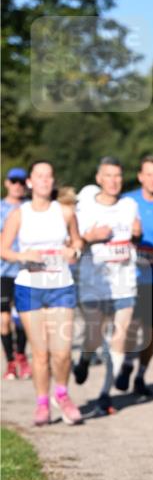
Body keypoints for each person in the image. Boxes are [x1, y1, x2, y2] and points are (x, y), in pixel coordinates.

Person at [0, 161, 83, 425]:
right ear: (30, 183)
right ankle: (42, 403)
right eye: (40, 176)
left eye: (49, 176)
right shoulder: (19, 214)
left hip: (60, 286)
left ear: (53, 181)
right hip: (30, 287)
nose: (45, 181)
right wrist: (23, 255)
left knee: (62, 352)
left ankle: (62, 393)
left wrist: (75, 251)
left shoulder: (66, 212)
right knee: (41, 353)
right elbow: (3, 250)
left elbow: (77, 241)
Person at [74, 157, 141, 417]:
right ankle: (84, 359)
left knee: (119, 337)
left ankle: (105, 394)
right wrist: (91, 237)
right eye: (109, 176)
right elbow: (75, 242)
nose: (114, 181)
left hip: (125, 282)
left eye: (118, 176)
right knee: (94, 337)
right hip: (95, 284)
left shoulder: (129, 205)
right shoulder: (86, 208)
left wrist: (136, 233)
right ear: (99, 178)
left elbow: (135, 233)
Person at [116, 156, 153, 397]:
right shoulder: (127, 202)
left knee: (150, 332)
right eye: (149, 174)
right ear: (140, 176)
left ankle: (140, 375)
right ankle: (127, 363)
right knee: (132, 325)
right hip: (130, 276)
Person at [1, 167, 31, 380]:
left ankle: (21, 355)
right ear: (7, 183)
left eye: (21, 182)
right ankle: (10, 361)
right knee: (3, 319)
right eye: (14, 181)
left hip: (26, 271)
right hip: (3, 271)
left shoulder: (31, 208)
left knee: (23, 318)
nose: (18, 185)